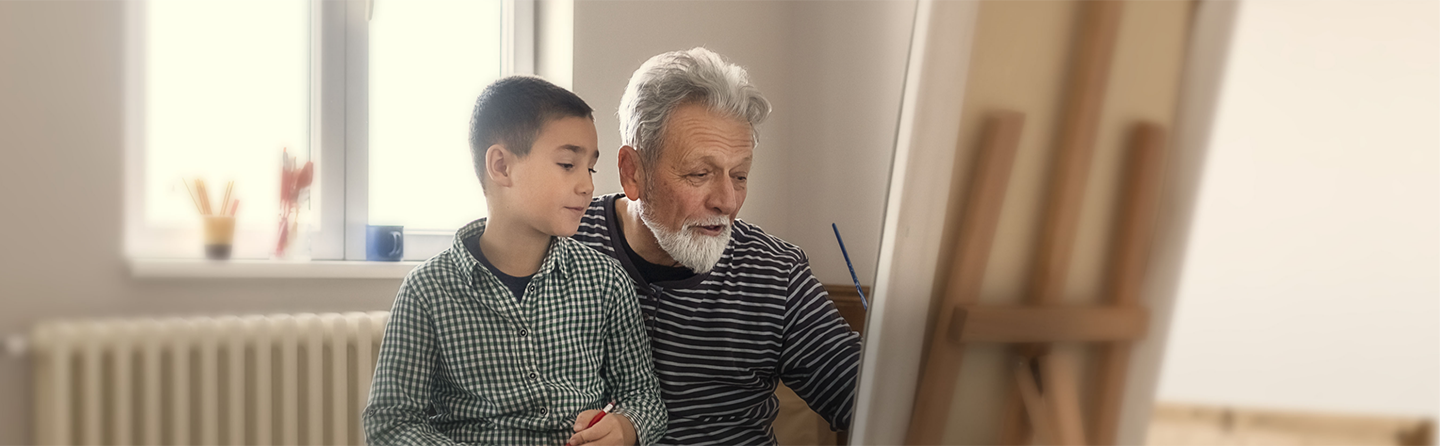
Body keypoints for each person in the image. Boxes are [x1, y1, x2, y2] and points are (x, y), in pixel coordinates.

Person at [570, 48, 861, 446]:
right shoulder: (565, 246)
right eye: (700, 173)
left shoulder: (776, 274)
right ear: (632, 172)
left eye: (740, 175)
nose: (726, 201)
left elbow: (863, 399)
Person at [363, 76, 667, 446]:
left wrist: (625, 427)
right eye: (568, 164)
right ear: (501, 166)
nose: (587, 185)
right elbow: (391, 421)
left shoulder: (605, 281)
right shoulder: (428, 290)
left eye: (590, 168)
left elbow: (644, 396)